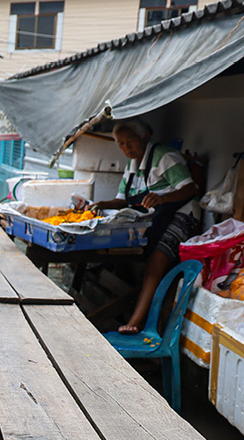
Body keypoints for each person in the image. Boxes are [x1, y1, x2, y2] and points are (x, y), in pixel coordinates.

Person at [82, 119, 202, 334]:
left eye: (131, 142)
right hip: (155, 218)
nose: (127, 148)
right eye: (121, 144)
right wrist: (101, 204)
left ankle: (136, 322)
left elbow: (190, 189)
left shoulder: (165, 157)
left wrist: (162, 198)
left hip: (182, 215)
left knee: (155, 262)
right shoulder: (132, 164)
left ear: (145, 137)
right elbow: (122, 199)